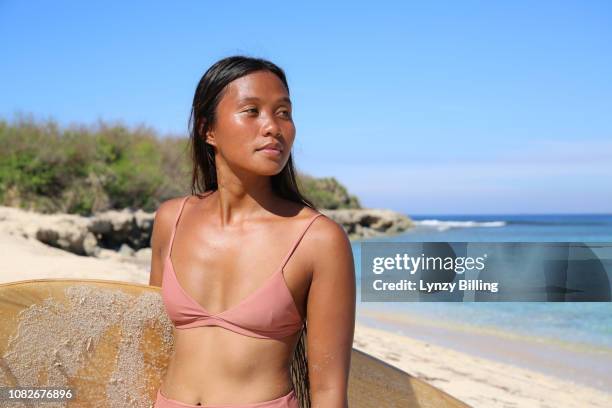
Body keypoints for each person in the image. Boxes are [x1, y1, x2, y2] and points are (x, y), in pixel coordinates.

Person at [149, 55, 356, 408]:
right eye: (252, 111)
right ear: (207, 130)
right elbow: (152, 347)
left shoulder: (319, 241)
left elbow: (327, 391)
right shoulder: (172, 219)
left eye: (283, 112)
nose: (273, 126)